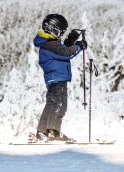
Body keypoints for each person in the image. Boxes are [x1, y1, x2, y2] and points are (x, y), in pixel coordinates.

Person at [31, 14, 87, 142]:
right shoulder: (50, 45)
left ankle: (42, 131)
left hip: (54, 78)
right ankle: (53, 131)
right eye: (59, 33)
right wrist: (79, 46)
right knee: (60, 104)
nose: (60, 35)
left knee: (51, 104)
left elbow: (62, 49)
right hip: (57, 78)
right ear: (51, 29)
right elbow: (66, 53)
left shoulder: (48, 43)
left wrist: (70, 41)